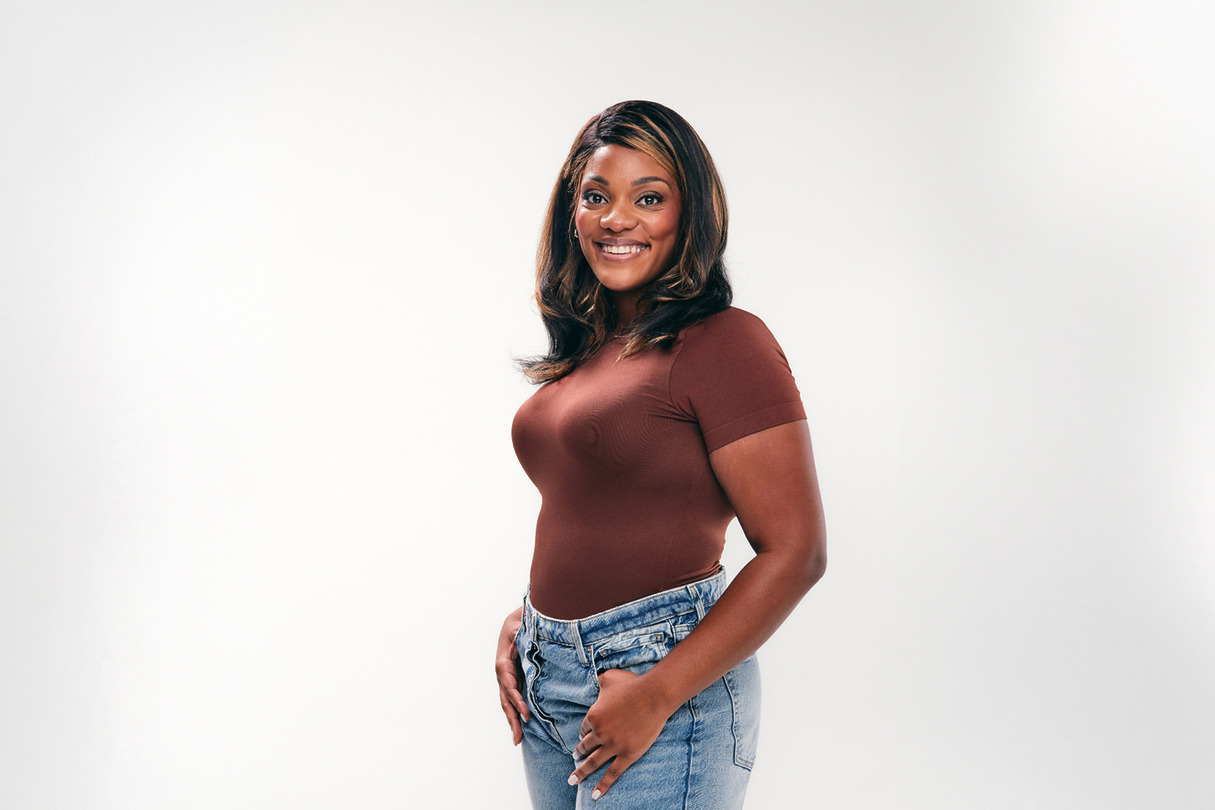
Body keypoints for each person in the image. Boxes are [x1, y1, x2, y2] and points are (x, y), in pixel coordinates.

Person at [495, 100, 826, 809]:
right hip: (549, 676)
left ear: (690, 215)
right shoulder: (587, 354)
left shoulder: (722, 342)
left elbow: (795, 551)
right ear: (570, 213)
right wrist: (533, 624)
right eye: (595, 197)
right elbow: (594, 510)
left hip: (658, 677)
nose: (617, 219)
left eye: (649, 198)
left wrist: (658, 692)